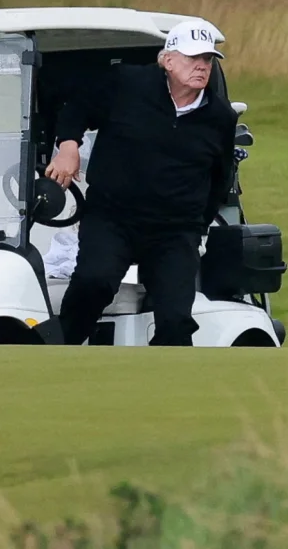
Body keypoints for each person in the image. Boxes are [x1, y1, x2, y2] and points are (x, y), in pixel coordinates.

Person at [44, 18, 238, 346]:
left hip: (174, 230)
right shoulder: (127, 83)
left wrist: (196, 227)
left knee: (176, 318)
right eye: (194, 59)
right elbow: (76, 109)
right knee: (94, 282)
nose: (202, 67)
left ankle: (163, 384)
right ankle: (61, 353)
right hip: (113, 218)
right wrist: (68, 147)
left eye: (207, 60)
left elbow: (219, 179)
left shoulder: (220, 117)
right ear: (168, 60)